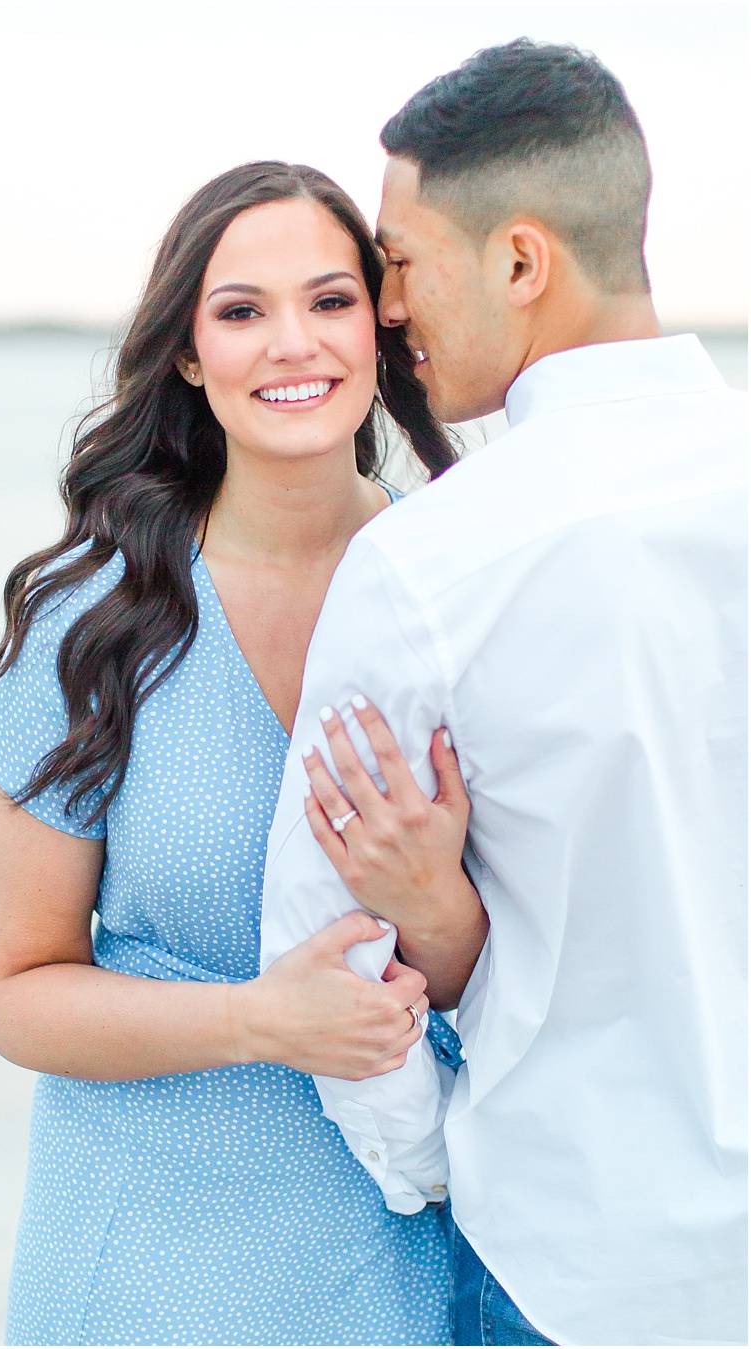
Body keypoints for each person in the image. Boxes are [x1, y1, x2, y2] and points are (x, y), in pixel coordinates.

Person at [258, 40, 746, 1348]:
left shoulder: (434, 561)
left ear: (521, 262)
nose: (388, 306)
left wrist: (430, 1166)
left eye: (401, 263)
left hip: (571, 1255)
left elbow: (326, 944)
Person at [0, 161, 466, 1345]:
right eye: (242, 311)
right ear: (189, 353)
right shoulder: (92, 620)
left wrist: (433, 906)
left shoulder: (469, 588)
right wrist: (260, 1021)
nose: (294, 343)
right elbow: (13, 989)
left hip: (413, 1250)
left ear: (381, 324)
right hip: (146, 1264)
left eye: (331, 300)